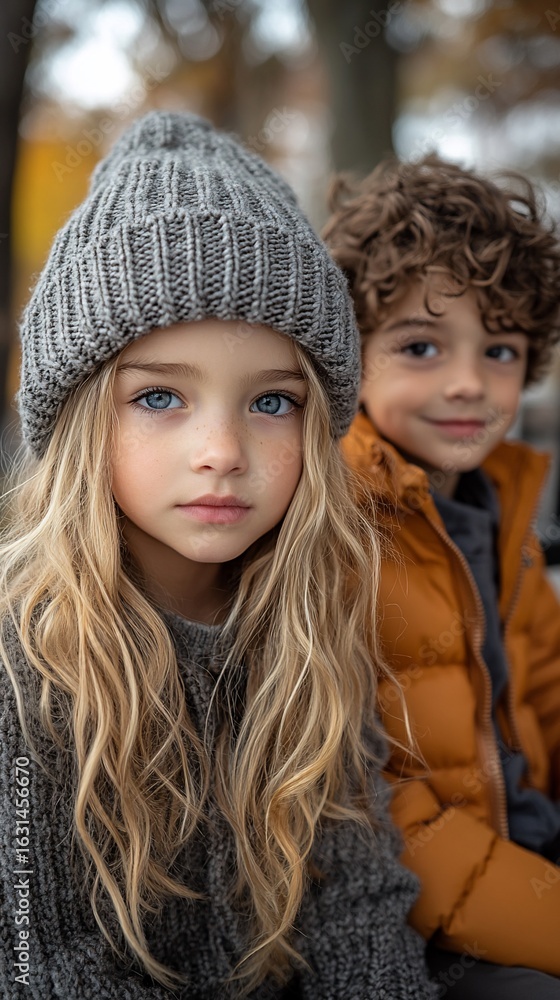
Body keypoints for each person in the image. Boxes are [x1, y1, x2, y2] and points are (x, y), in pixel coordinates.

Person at [0, 111, 436, 1000]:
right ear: (82, 421)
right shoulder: (26, 654)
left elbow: (354, 907)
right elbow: (49, 968)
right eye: (160, 396)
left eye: (271, 404)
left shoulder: (309, 622)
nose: (221, 450)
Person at [323, 154, 560, 998]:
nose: (468, 383)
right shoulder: (334, 527)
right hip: (423, 923)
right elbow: (384, 814)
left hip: (531, 850)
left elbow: (542, 694)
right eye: (421, 345)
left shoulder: (505, 508)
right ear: (349, 353)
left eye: (499, 348)